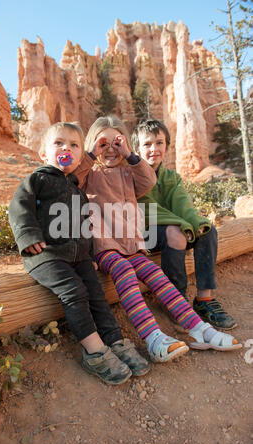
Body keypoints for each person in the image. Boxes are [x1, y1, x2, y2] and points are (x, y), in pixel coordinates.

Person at [74, 115, 241, 364]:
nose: (109, 149)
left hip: (132, 244)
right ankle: (152, 336)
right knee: (124, 272)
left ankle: (198, 329)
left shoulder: (128, 173)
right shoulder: (90, 173)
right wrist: (90, 154)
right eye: (103, 143)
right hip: (105, 244)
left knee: (157, 276)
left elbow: (149, 180)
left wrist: (130, 155)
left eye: (115, 143)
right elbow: (71, 180)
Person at [9, 121, 150, 385]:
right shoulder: (37, 179)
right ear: (43, 154)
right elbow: (19, 207)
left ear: (79, 155)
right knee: (75, 292)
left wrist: (89, 255)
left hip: (78, 257)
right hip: (47, 256)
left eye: (74, 145)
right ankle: (95, 351)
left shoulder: (77, 188)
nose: (67, 149)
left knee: (97, 295)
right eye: (59, 143)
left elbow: (84, 225)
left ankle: (115, 342)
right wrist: (28, 236)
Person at [131, 118, 237, 331]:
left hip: (172, 228)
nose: (154, 149)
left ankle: (204, 300)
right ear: (136, 149)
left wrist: (195, 222)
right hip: (143, 235)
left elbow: (182, 204)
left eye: (159, 143)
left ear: (167, 146)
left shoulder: (171, 177)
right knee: (175, 233)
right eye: (147, 144)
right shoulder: (133, 175)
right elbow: (148, 210)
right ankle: (176, 303)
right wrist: (182, 224)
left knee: (207, 230)